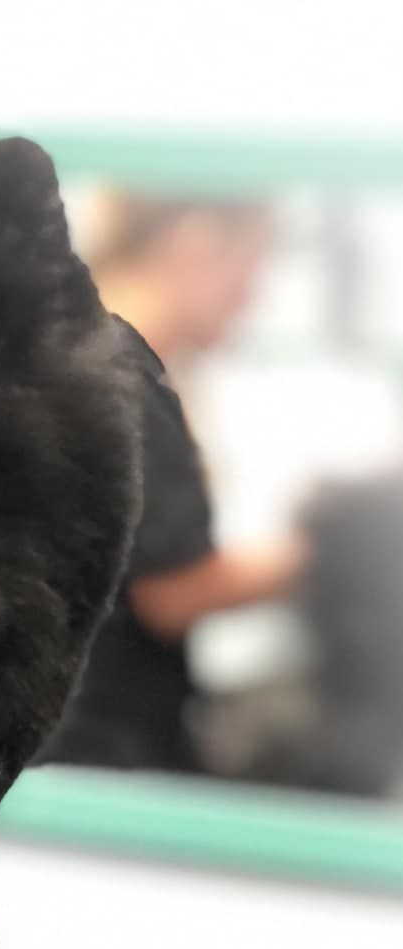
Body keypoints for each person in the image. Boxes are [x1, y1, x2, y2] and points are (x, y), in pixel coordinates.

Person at [48, 196, 308, 772]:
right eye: (252, 266)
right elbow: (173, 593)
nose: (253, 297)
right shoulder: (121, 376)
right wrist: (337, 542)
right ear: (196, 242)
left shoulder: (66, 346)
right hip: (100, 751)